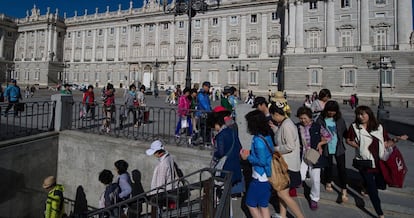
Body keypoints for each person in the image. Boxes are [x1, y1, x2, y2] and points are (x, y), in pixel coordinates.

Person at [346, 106, 408, 218]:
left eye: (363, 114)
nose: (360, 117)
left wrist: (396, 139)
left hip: (380, 162)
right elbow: (348, 140)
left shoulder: (379, 127)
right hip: (365, 162)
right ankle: (380, 213)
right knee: (373, 190)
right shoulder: (354, 127)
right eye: (358, 114)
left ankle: (363, 185)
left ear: (369, 114)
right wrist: (358, 146)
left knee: (381, 185)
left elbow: (386, 143)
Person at [241, 110, 304, 218]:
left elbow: (262, 161)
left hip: (259, 177)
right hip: (268, 176)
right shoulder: (267, 136)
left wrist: (248, 157)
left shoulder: (257, 140)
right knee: (263, 205)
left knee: (250, 203)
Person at [296, 106, 331, 210]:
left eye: (305, 118)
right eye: (301, 118)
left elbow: (328, 137)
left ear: (310, 117)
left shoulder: (317, 126)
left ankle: (314, 199)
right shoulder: (297, 126)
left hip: (314, 155)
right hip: (302, 155)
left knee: (315, 179)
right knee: (300, 176)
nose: (303, 120)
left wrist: (320, 143)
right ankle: (299, 183)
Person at [316, 100, 349, 203]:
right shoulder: (321, 119)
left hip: (338, 147)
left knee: (342, 168)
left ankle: (344, 188)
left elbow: (345, 132)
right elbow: (317, 132)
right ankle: (328, 181)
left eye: (333, 111)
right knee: (328, 166)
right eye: (329, 111)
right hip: (326, 147)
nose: (331, 113)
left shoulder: (339, 120)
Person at [269, 103, 302, 198]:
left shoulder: (286, 125)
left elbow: (290, 146)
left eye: (272, 116)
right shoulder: (284, 123)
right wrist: (275, 128)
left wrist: (275, 149)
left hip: (288, 164)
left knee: (283, 193)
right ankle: (282, 212)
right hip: (287, 163)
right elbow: (281, 136)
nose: (272, 119)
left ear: (276, 114)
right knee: (283, 193)